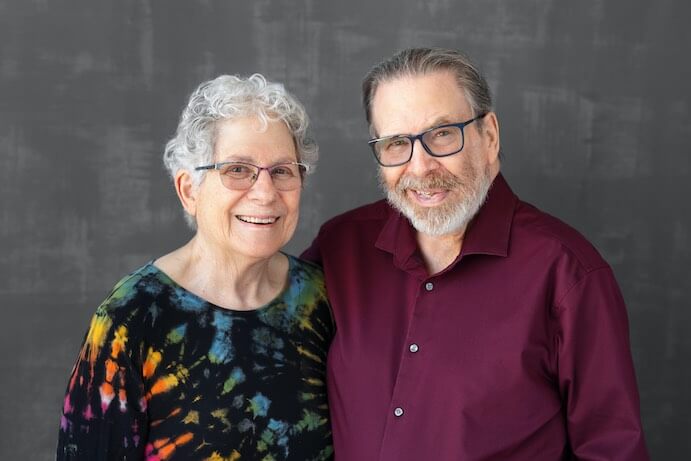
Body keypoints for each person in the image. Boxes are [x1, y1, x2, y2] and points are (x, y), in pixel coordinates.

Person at [303, 48, 649, 460]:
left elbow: (612, 450)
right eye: (397, 143)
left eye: (443, 134)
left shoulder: (568, 273)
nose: (420, 166)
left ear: (489, 137)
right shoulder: (341, 247)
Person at [57, 74, 334, 460]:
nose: (266, 192)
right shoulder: (132, 318)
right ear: (189, 190)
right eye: (237, 169)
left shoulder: (323, 300)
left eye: (283, 170)